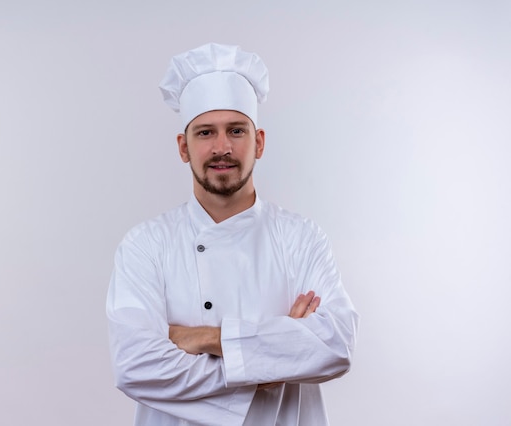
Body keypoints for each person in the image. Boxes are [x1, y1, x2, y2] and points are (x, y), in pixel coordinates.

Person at [106, 42, 359, 426]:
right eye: (205, 132)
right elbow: (136, 366)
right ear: (183, 148)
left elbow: (336, 344)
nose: (221, 147)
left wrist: (206, 339)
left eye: (236, 131)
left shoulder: (301, 238)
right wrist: (270, 366)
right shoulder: (146, 245)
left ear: (258, 142)